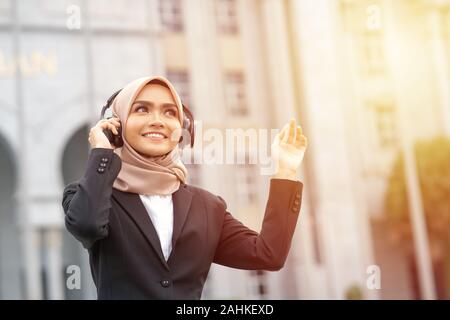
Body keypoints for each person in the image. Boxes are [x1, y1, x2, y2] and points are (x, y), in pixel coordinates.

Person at [62, 75, 308, 299]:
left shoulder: (208, 207)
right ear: (117, 123)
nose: (157, 121)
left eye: (170, 113)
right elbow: (87, 225)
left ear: (182, 130)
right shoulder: (91, 196)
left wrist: (285, 170)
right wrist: (103, 152)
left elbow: (268, 254)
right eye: (142, 109)